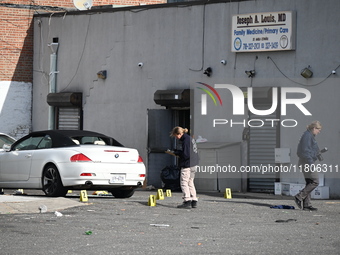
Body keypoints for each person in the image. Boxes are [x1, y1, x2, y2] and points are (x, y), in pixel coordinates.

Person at [294, 121, 322, 211]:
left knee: (309, 182)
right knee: (315, 181)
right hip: (306, 162)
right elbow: (305, 151)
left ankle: (306, 205)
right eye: (319, 129)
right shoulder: (307, 136)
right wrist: (311, 164)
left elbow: (310, 150)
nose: (319, 132)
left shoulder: (309, 136)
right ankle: (299, 196)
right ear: (314, 128)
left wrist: (317, 154)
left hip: (306, 162)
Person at [170, 126, 199, 209]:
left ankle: (187, 200)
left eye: (176, 136)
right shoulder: (190, 139)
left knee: (184, 182)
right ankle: (194, 200)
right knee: (190, 182)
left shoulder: (185, 141)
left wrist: (177, 153)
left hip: (187, 164)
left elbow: (186, 154)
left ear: (179, 134)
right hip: (194, 163)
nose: (176, 138)